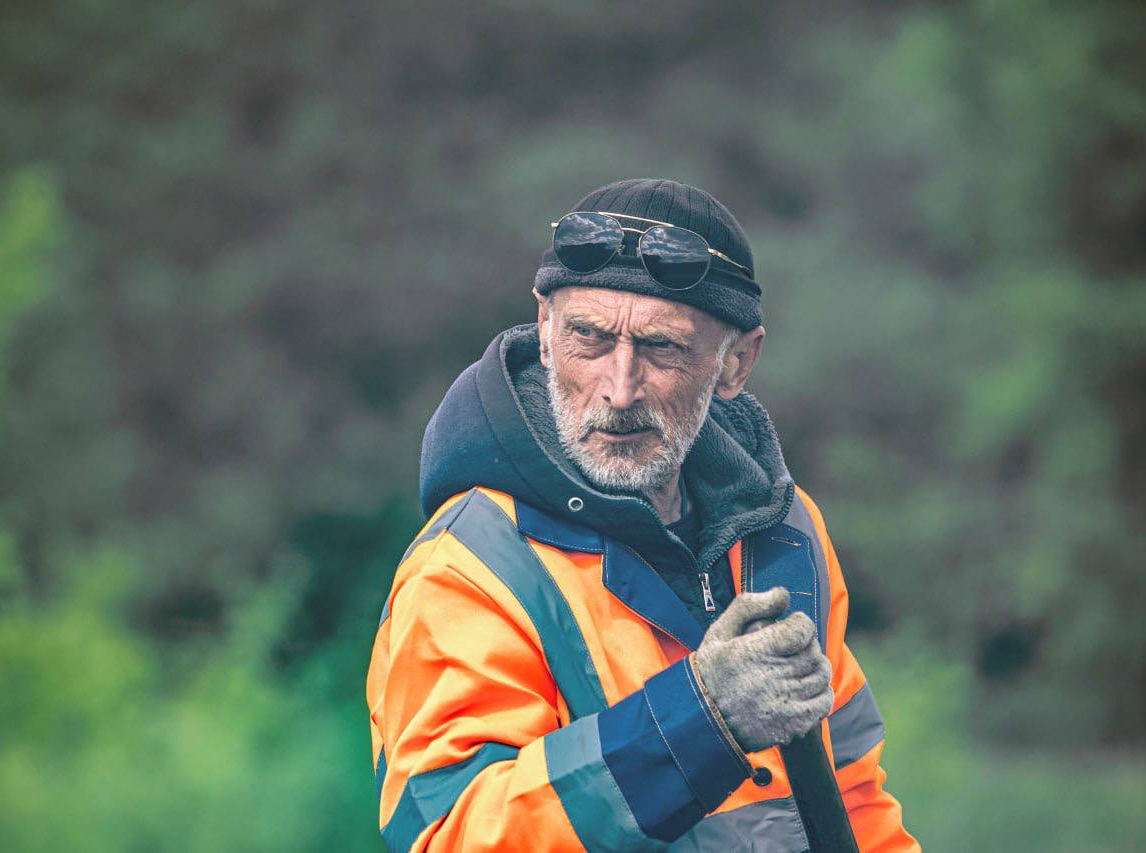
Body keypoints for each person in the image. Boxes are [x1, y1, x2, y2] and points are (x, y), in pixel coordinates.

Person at [366, 178, 919, 851]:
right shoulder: (472, 565)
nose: (620, 388)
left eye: (662, 348)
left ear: (736, 362)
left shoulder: (785, 531)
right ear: (544, 330)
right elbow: (453, 834)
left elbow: (855, 795)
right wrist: (700, 721)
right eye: (589, 338)